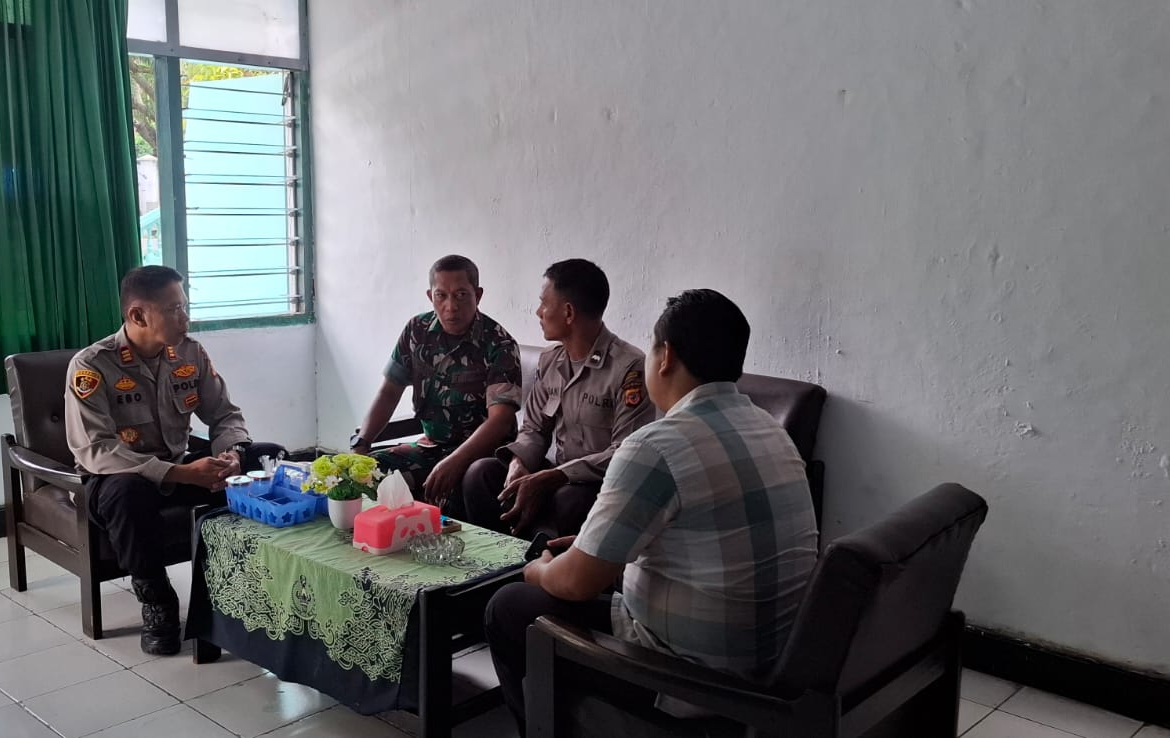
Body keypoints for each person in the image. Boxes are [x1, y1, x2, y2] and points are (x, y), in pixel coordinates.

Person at [483, 289, 819, 730]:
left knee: (510, 606)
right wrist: (596, 552)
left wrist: (540, 571)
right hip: (773, 663)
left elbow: (575, 583)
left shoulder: (657, 445)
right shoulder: (771, 430)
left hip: (693, 680)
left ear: (666, 357)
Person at [65, 265, 285, 656]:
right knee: (129, 493)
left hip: (181, 463)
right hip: (114, 478)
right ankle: (158, 602)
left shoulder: (189, 353)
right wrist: (180, 473)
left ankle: (243, 581)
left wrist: (231, 454)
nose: (185, 318)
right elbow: (97, 449)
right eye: (174, 309)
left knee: (266, 456)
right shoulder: (92, 366)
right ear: (138, 315)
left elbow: (225, 415)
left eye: (184, 307)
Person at [459, 259, 655, 537]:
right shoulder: (551, 361)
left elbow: (625, 452)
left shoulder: (629, 368)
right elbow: (533, 429)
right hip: (553, 473)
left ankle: (543, 560)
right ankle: (498, 558)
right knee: (480, 474)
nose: (538, 312)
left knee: (569, 500)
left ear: (568, 312)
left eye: (543, 303)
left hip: (595, 484)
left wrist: (558, 476)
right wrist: (519, 463)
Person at [349, 255, 523, 511]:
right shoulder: (416, 331)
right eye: (441, 295)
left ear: (478, 295)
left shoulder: (499, 344)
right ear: (431, 296)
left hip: (481, 454)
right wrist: (361, 444)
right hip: (430, 447)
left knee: (449, 490)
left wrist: (454, 461)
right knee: (363, 475)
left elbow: (500, 421)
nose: (451, 306)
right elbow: (389, 392)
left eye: (461, 295)